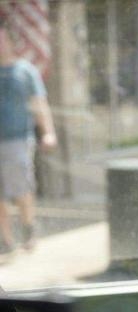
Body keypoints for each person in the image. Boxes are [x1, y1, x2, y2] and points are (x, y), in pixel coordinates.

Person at [0, 17, 57, 256]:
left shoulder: (25, 71)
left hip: (18, 140)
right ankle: (6, 240)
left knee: (21, 188)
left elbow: (39, 104)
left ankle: (28, 227)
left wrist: (48, 132)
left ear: (10, 42)